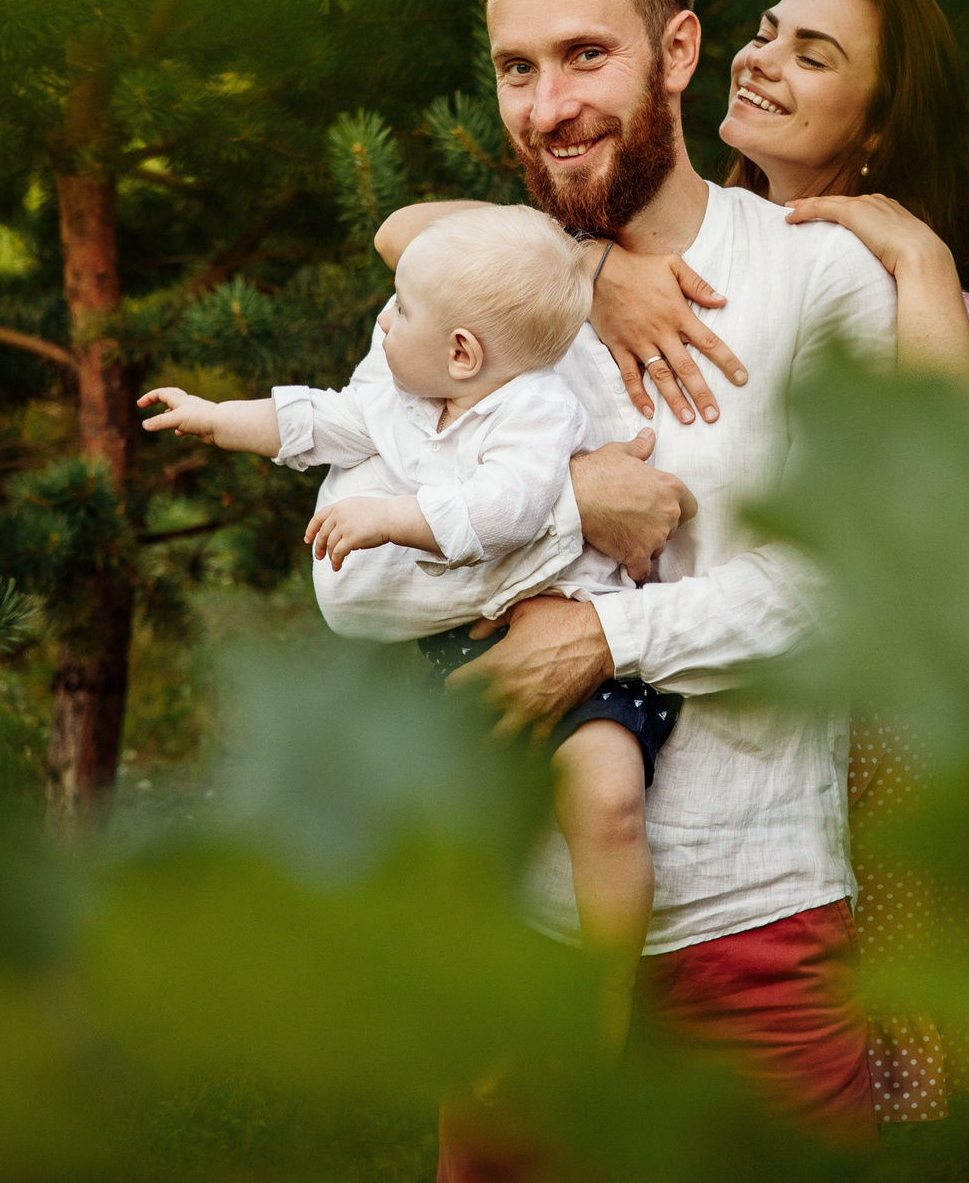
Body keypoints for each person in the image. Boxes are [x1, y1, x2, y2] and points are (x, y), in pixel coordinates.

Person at [382, 0, 969, 1128]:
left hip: (848, 777)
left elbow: (936, 525)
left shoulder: (908, 296)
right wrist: (592, 268)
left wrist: (920, 258)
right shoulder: (617, 258)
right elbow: (405, 230)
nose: (762, 60)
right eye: (766, 31)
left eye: (812, 55)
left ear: (879, 126)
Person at [313, 0, 899, 1173]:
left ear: (677, 52)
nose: (549, 106)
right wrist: (571, 505)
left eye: (586, 55)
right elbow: (349, 585)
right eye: (517, 69)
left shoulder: (816, 279)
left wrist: (598, 637)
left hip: (757, 935)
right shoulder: (468, 288)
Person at [132, 203, 675, 1047]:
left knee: (606, 800)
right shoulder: (406, 397)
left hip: (577, 632)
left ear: (462, 352)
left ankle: (608, 995)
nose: (382, 321)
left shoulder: (535, 409)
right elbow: (316, 419)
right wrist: (216, 416)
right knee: (456, 829)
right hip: (471, 639)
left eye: (401, 309)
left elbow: (507, 508)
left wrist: (389, 516)